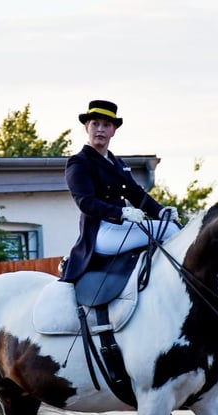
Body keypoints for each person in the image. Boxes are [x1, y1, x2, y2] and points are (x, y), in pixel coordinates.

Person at [59, 100, 180, 283]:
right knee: (170, 231)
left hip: (121, 228)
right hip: (101, 232)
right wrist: (122, 213)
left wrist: (161, 211)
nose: (100, 129)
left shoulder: (118, 164)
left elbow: (136, 194)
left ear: (113, 131)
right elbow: (86, 202)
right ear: (86, 127)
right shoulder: (79, 162)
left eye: (106, 125)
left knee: (172, 226)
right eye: (95, 124)